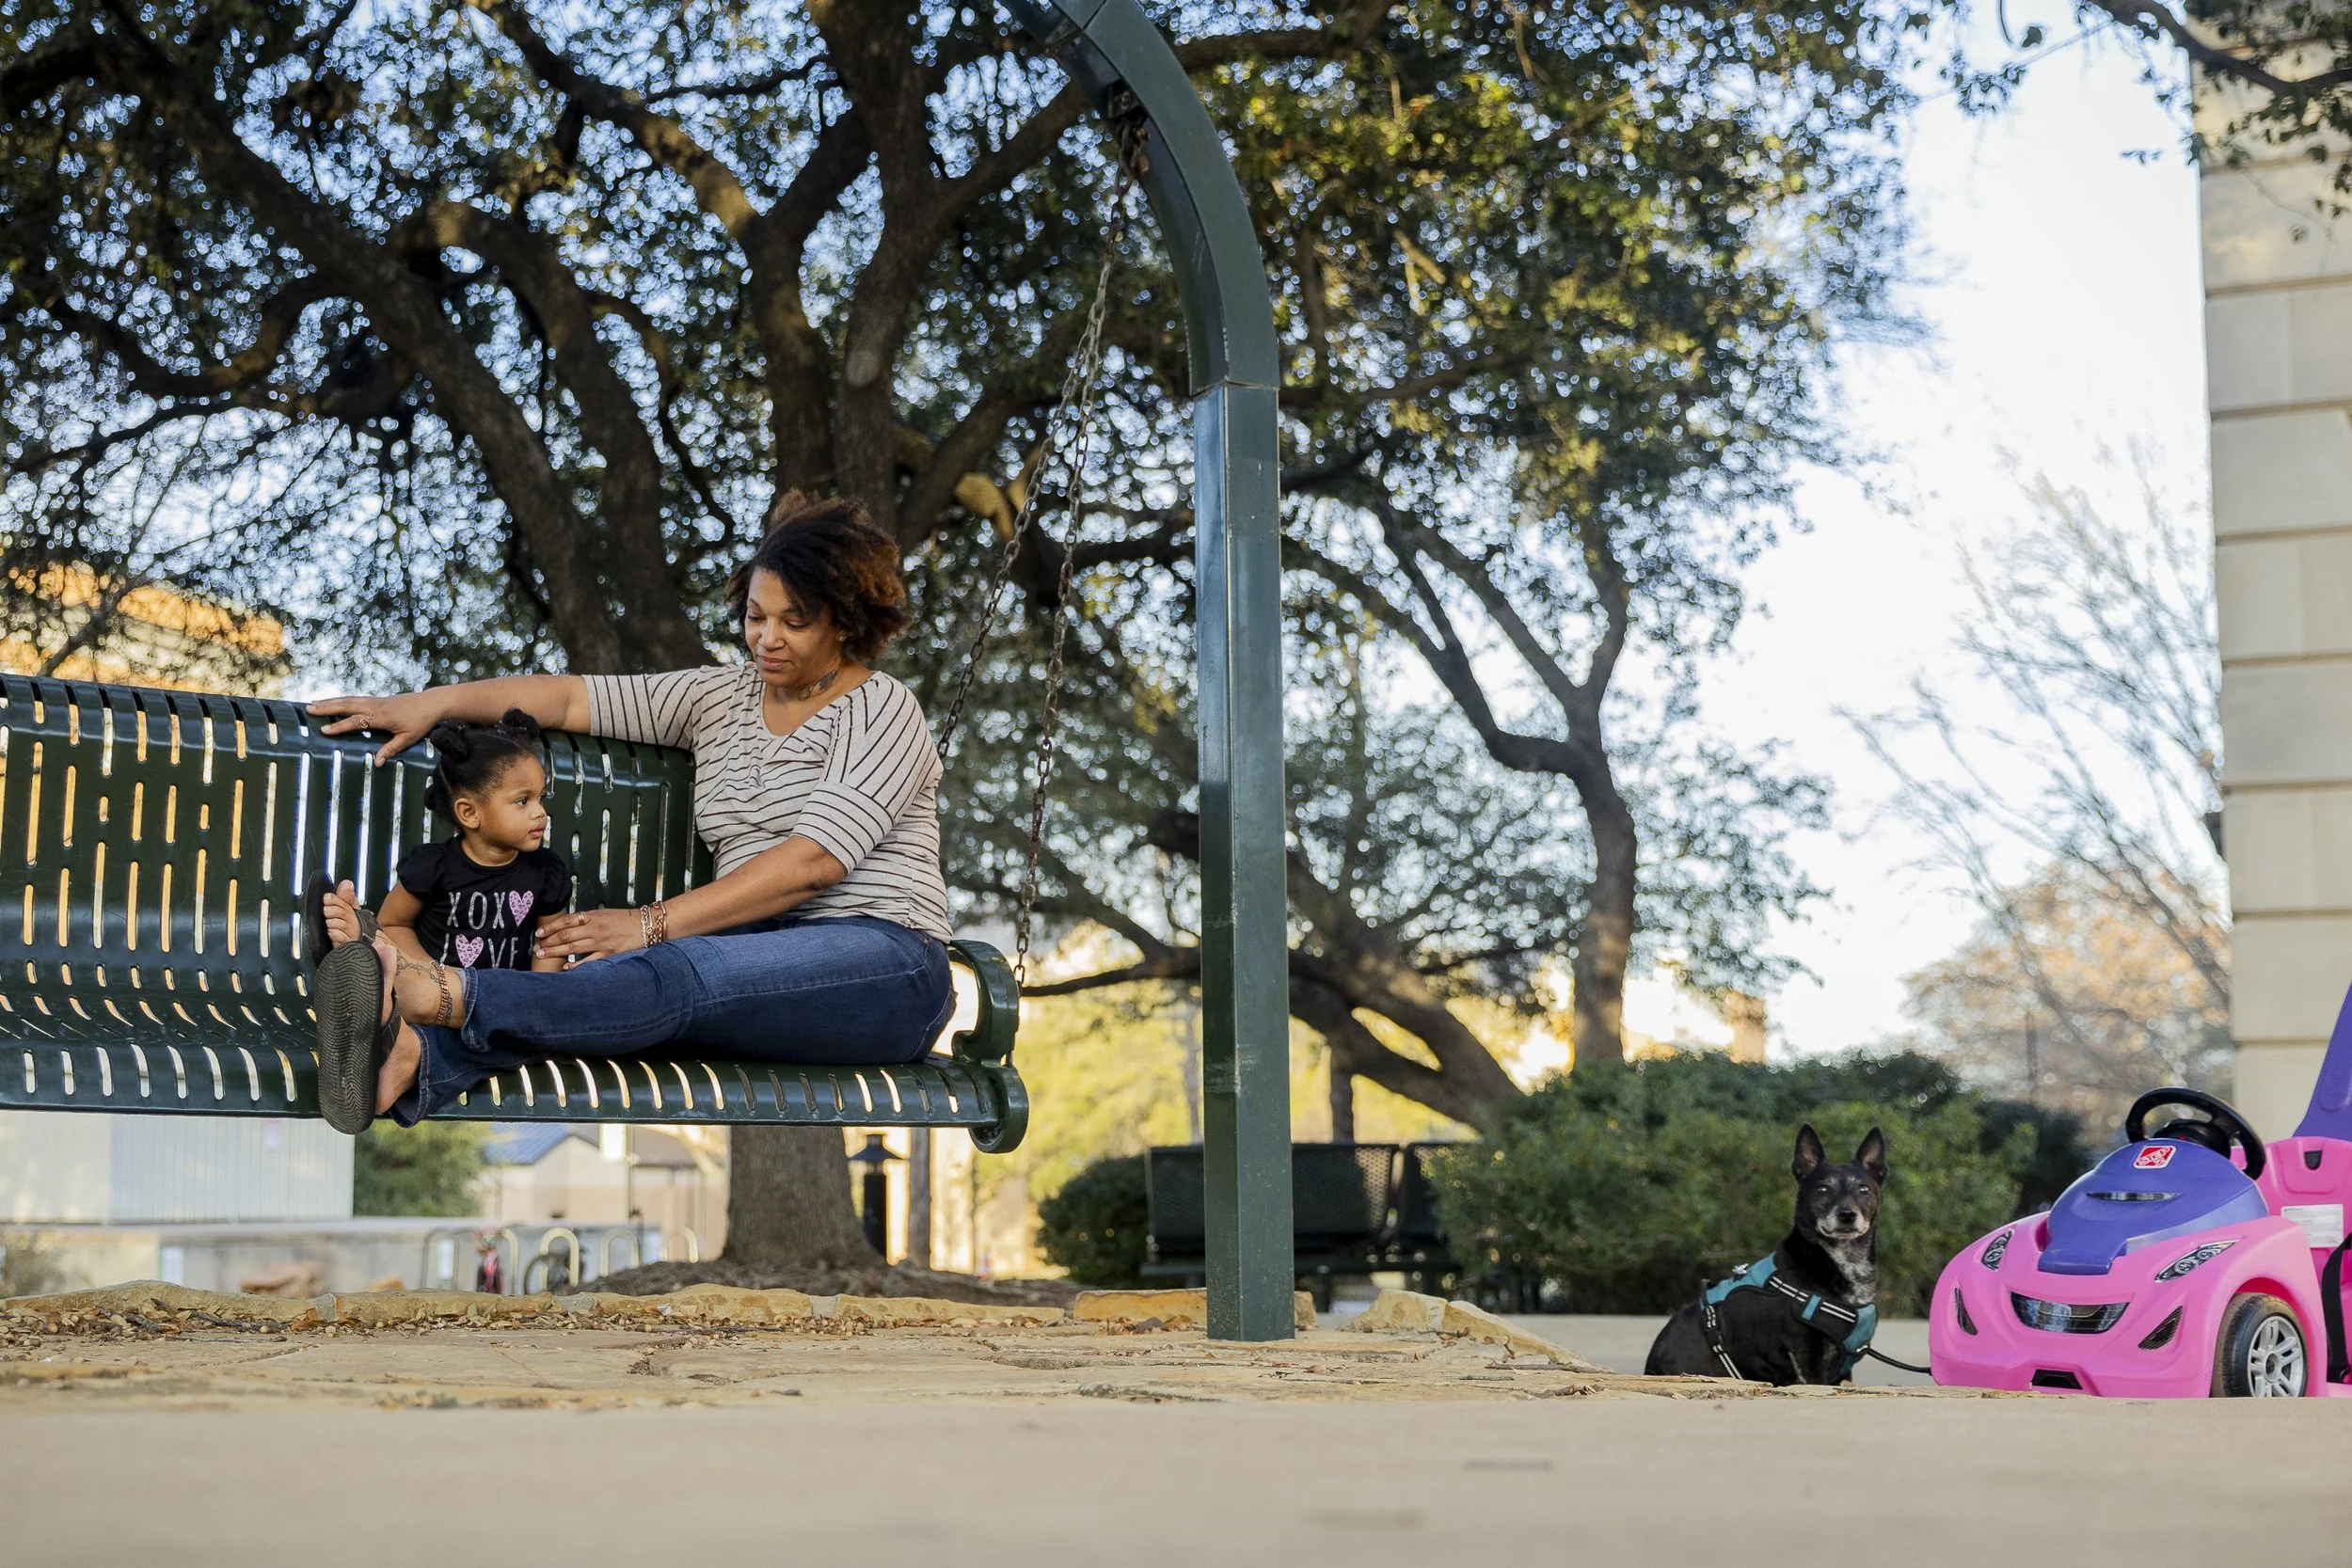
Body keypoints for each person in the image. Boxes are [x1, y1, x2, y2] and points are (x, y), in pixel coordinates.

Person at [301, 493, 954, 1134]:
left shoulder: (880, 707)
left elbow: (813, 864)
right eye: (756, 616)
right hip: (754, 956)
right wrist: (431, 704)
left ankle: (430, 991)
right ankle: (410, 1060)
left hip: (886, 964)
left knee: (672, 969)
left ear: (843, 620)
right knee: (609, 988)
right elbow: (564, 698)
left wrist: (650, 923)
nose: (768, 638)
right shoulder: (717, 697)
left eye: (795, 620)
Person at [380, 711, 572, 975]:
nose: (540, 812)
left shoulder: (545, 871)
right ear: (470, 813)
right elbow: (392, 925)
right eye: (522, 801)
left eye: (541, 797)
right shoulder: (434, 867)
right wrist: (432, 975)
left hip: (506, 1002)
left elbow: (551, 941)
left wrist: (535, 994)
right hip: (435, 999)